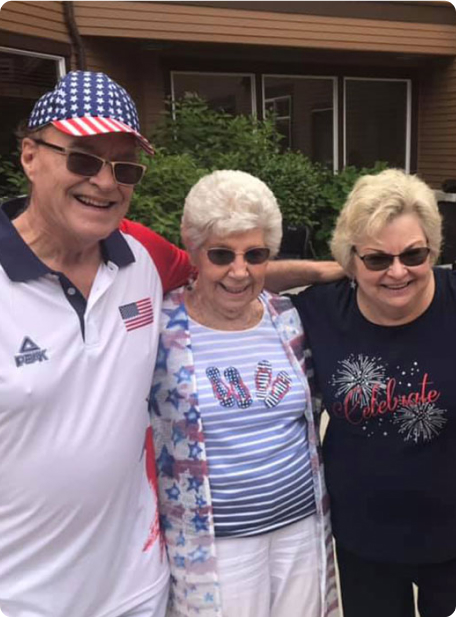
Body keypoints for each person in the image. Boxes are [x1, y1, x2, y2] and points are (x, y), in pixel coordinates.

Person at [0, 71, 341, 617]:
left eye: (125, 168)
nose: (105, 183)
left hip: (137, 582)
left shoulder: (136, 256)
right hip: (22, 593)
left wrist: (342, 270)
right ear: (31, 155)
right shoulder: (159, 302)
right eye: (83, 159)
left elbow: (238, 272)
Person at [150, 170, 339, 617]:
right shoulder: (160, 328)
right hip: (215, 543)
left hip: (301, 528)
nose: (240, 271)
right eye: (221, 254)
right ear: (194, 251)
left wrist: (325, 268)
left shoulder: (288, 318)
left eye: (255, 255)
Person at [292, 169, 456, 617]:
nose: (398, 272)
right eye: (377, 260)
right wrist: (322, 269)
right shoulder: (322, 310)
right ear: (351, 261)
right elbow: (238, 274)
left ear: (433, 251)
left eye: (413, 254)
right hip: (365, 541)